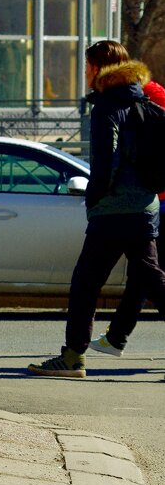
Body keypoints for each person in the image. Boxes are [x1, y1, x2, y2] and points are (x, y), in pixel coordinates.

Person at [28, 40, 165, 379]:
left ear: (100, 67)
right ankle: (75, 356)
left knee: (86, 283)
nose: (85, 71)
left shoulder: (106, 107)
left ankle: (73, 358)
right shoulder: (144, 103)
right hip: (146, 207)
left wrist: (94, 199)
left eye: (88, 65)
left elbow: (106, 162)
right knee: (153, 280)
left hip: (115, 212)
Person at [89, 76, 165, 357]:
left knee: (148, 276)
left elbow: (111, 159)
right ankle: (116, 337)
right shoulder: (152, 97)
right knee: (144, 274)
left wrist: (94, 197)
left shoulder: (141, 100)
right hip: (151, 202)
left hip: (146, 203)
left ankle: (114, 338)